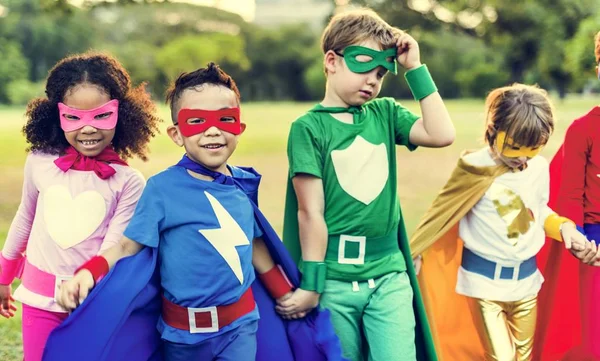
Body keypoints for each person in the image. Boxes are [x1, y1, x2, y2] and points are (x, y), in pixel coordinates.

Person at [53, 63, 346, 361]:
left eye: (225, 119)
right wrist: (88, 273)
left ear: (239, 128)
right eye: (197, 121)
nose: (213, 131)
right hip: (181, 335)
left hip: (240, 328)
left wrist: (284, 293)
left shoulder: (240, 185)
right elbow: (129, 245)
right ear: (176, 134)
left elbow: (254, 245)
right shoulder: (162, 189)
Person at [280, 8, 455, 361]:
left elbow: (441, 134)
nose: (373, 81)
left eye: (380, 73)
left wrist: (415, 69)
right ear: (331, 61)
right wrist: (312, 283)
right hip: (334, 281)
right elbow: (310, 212)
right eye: (363, 66)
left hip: (389, 275)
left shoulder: (385, 113)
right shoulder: (309, 128)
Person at [410, 83, 595, 361]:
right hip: (483, 285)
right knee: (502, 358)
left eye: (533, 149)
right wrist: (417, 251)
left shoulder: (537, 168)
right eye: (513, 147)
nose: (521, 158)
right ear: (493, 131)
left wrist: (564, 227)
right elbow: (441, 214)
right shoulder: (475, 167)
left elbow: (539, 211)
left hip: (525, 283)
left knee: (524, 356)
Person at [0, 52, 161, 361]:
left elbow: (116, 245)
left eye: (102, 116)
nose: (88, 129)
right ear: (55, 115)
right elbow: (25, 217)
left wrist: (85, 282)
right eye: (73, 117)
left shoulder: (129, 181)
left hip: (94, 302)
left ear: (123, 114)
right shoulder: (39, 163)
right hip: (39, 298)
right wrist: (4, 275)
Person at [534, 30, 600, 361]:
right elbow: (572, 196)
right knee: (591, 343)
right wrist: (581, 242)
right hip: (593, 244)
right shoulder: (584, 129)